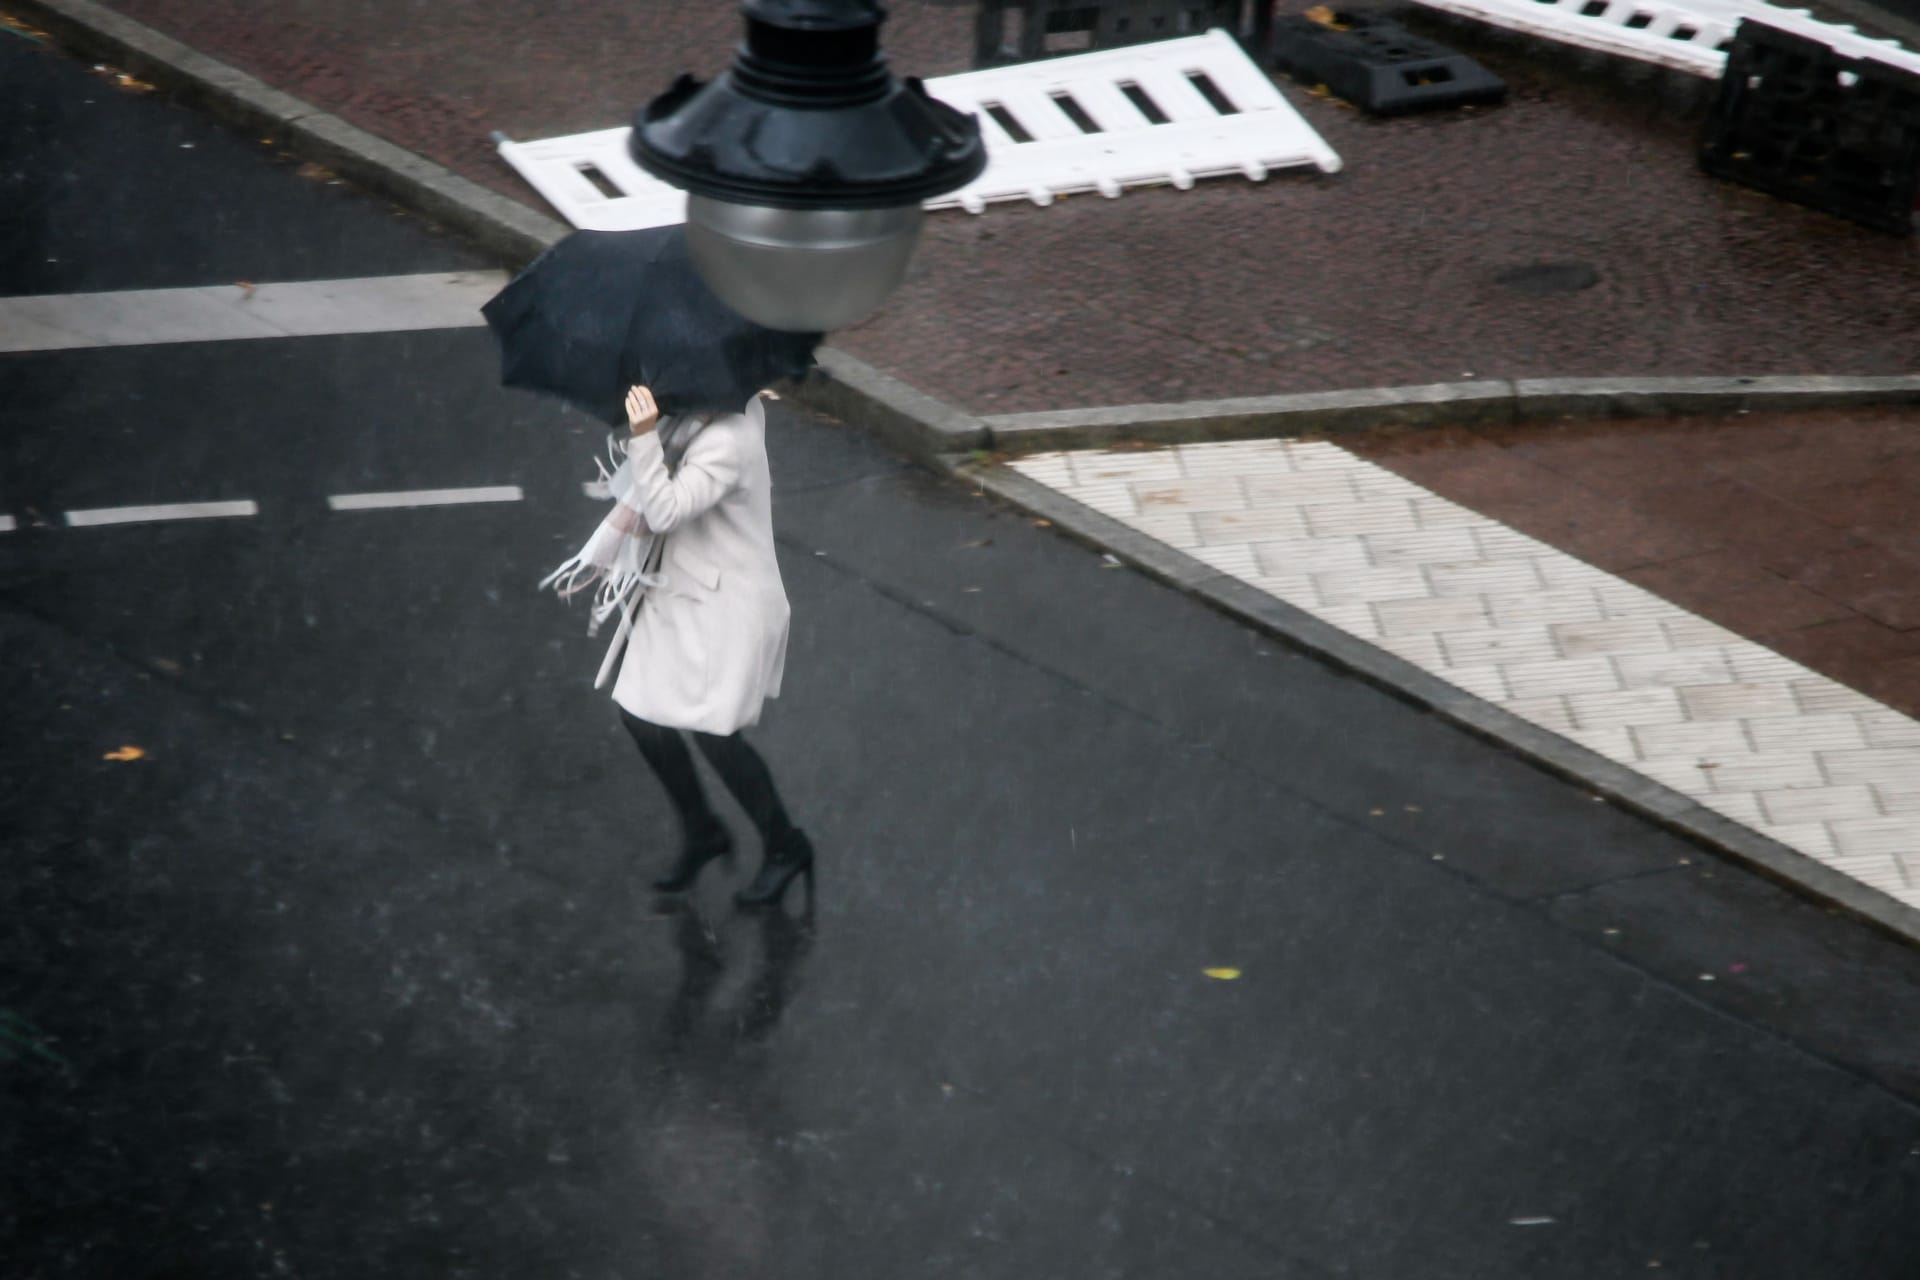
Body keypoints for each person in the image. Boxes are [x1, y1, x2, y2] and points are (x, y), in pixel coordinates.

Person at [586, 383, 813, 909]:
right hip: (684, 596)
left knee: (716, 734)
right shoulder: (697, 418)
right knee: (640, 715)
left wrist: (644, 437)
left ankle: (786, 844)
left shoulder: (728, 440)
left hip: (725, 608)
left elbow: (664, 510)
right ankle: (702, 828)